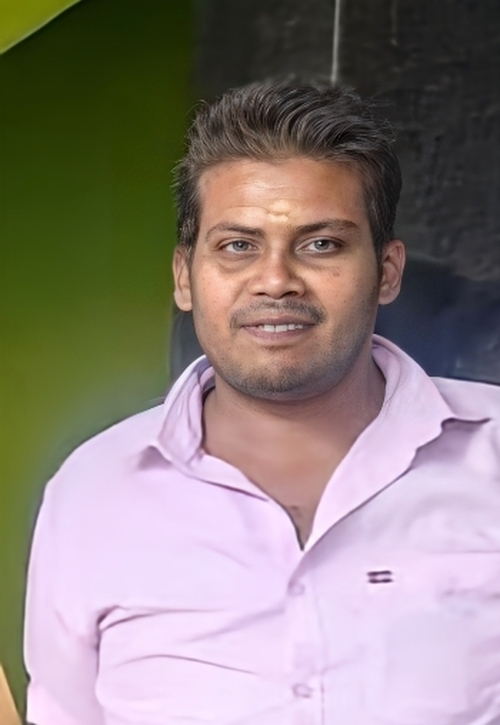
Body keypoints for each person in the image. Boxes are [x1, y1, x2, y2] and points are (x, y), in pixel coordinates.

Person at [24, 82, 500, 725]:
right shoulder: (93, 491)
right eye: (238, 246)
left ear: (387, 272)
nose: (275, 280)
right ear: (184, 277)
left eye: (321, 244)